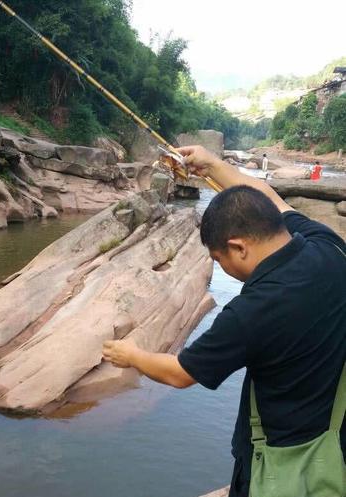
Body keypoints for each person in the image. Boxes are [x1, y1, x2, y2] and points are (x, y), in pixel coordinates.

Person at [102, 145, 345, 497]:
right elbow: (269, 196)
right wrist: (213, 165)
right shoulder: (329, 246)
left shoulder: (252, 312)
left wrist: (130, 355)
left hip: (277, 459)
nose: (220, 267)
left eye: (218, 258)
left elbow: (180, 373)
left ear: (239, 247)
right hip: (332, 441)